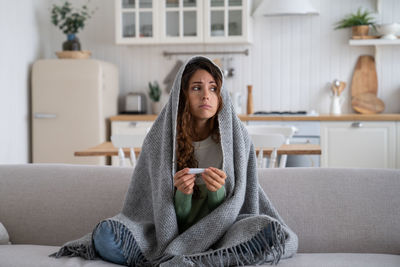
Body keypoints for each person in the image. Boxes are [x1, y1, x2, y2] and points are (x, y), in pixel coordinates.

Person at [53, 56, 298, 266]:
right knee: (106, 235)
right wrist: (181, 194)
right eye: (196, 88)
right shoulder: (160, 138)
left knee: (269, 232)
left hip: (222, 231)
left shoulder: (237, 139)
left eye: (213, 88)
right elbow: (160, 210)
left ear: (221, 94)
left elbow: (234, 208)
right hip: (167, 233)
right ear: (182, 94)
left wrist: (217, 192)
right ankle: (191, 259)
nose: (206, 95)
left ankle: (193, 258)